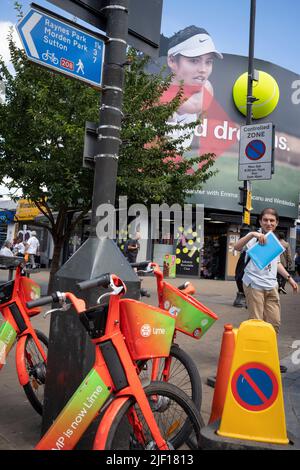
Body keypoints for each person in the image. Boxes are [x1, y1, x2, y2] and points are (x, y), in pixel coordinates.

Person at [234, 208, 298, 345]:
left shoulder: (275, 240)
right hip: (254, 285)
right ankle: (258, 358)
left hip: (272, 286)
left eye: (272, 220)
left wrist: (290, 279)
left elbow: (277, 263)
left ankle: (269, 358)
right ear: (260, 221)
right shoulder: (254, 238)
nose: (268, 223)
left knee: (274, 323)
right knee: (257, 323)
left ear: (277, 222)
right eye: (265, 220)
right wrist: (252, 234)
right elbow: (237, 247)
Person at [161, 26, 223, 149]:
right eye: (194, 61)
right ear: (172, 61)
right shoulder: (158, 99)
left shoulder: (207, 90)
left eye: (208, 62)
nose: (203, 70)